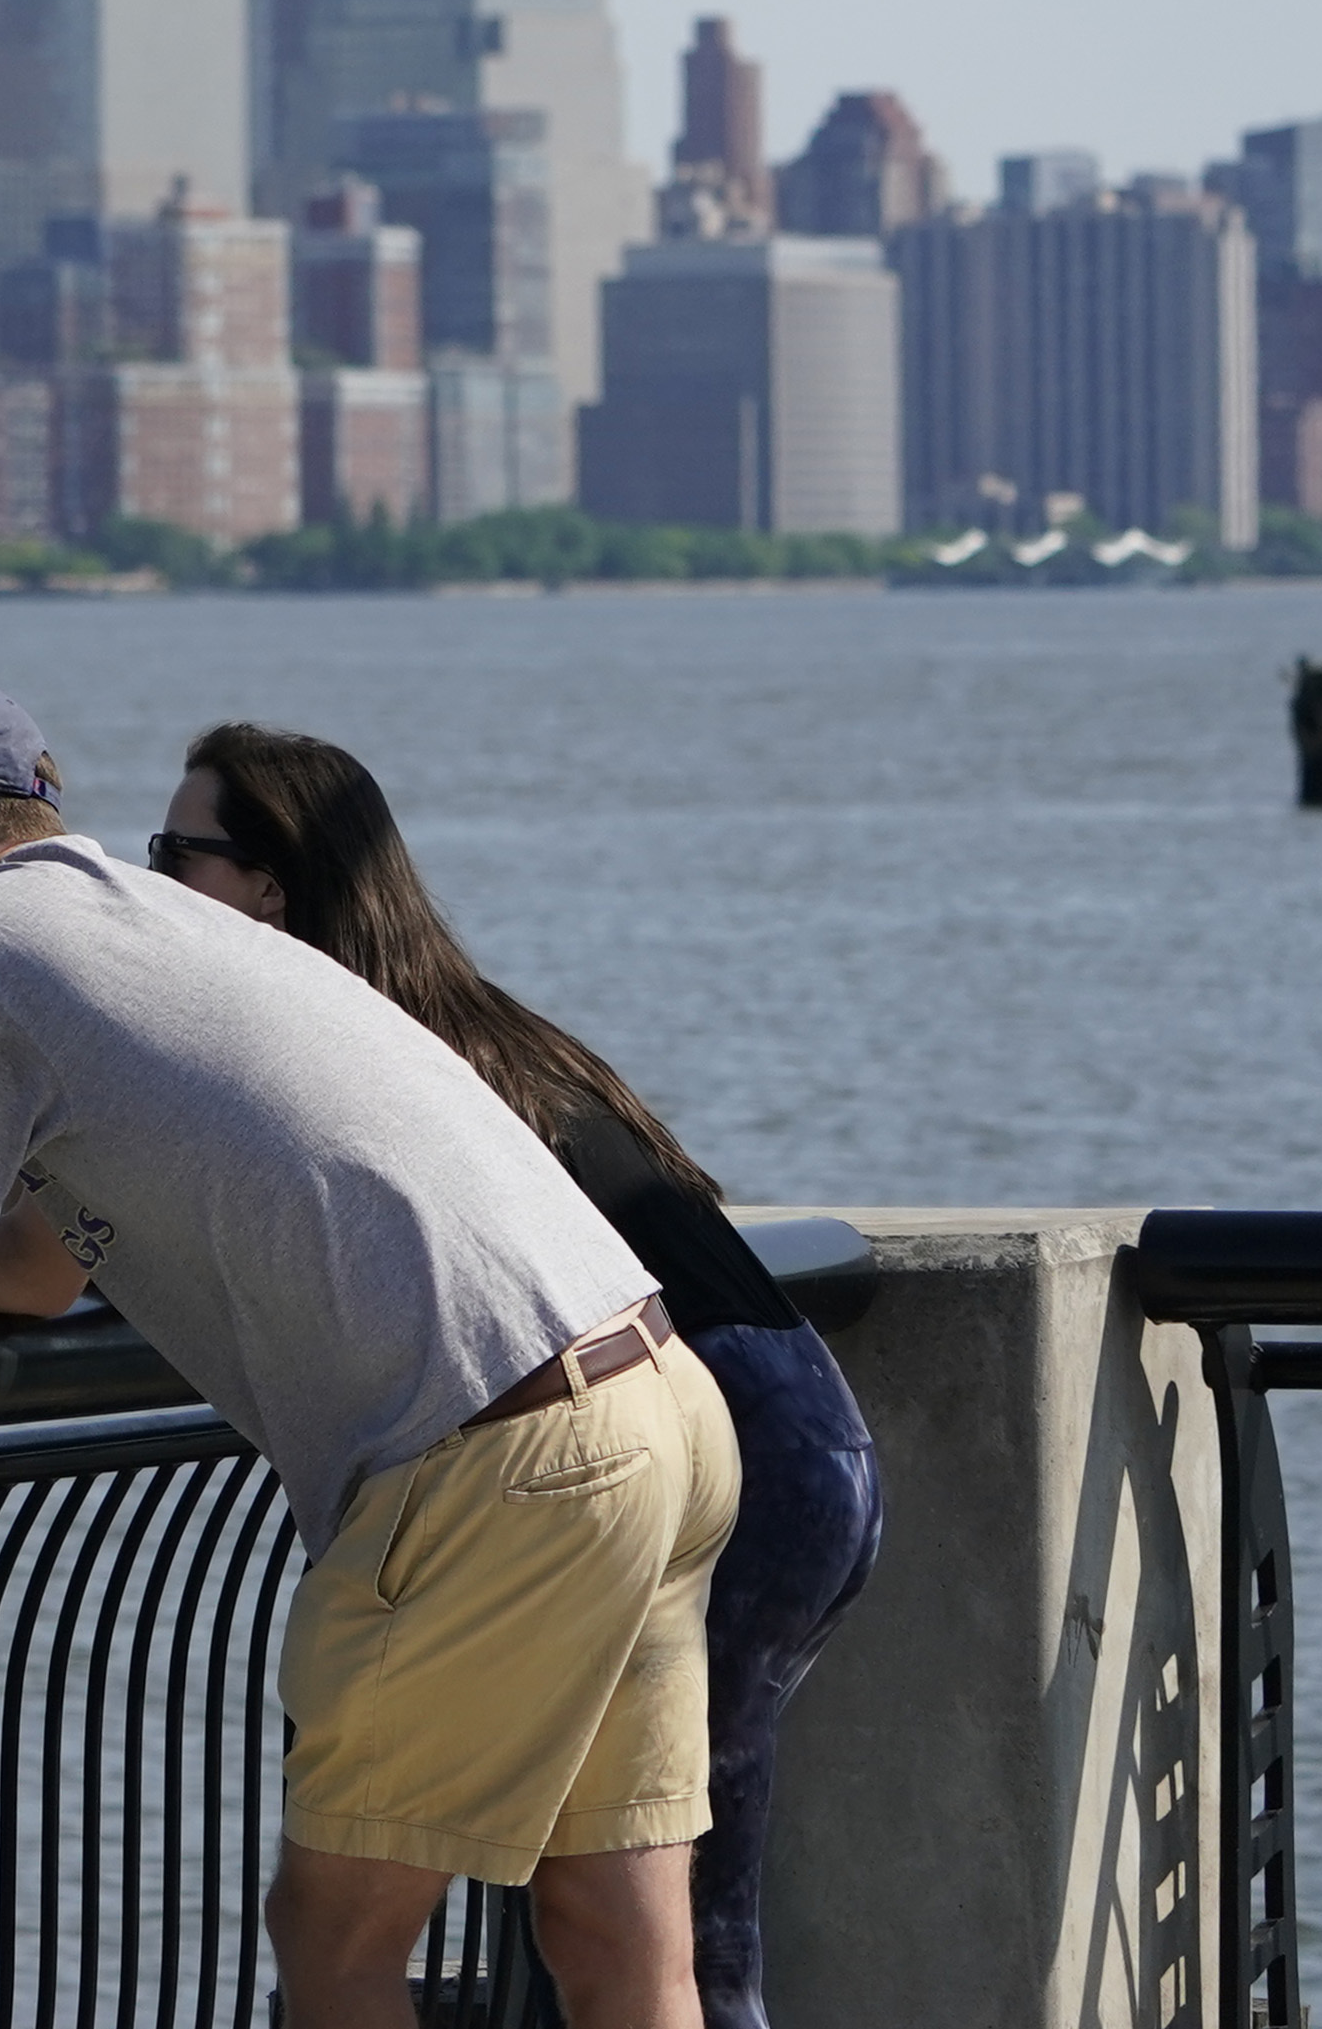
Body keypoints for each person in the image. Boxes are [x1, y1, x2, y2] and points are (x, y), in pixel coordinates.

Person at [0, 669, 737, 2029]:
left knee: (335, 1938)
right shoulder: (146, 929)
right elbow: (21, 1268)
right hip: (653, 1403)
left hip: (499, 1461)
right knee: (618, 1945)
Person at [150, 723, 880, 2029]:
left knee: (641, 1947)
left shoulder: (364, 1058)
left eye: (173, 855)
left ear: (268, 883)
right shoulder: (470, 1031)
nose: (150, 891)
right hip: (780, 1421)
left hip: (666, 1440)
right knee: (629, 1936)